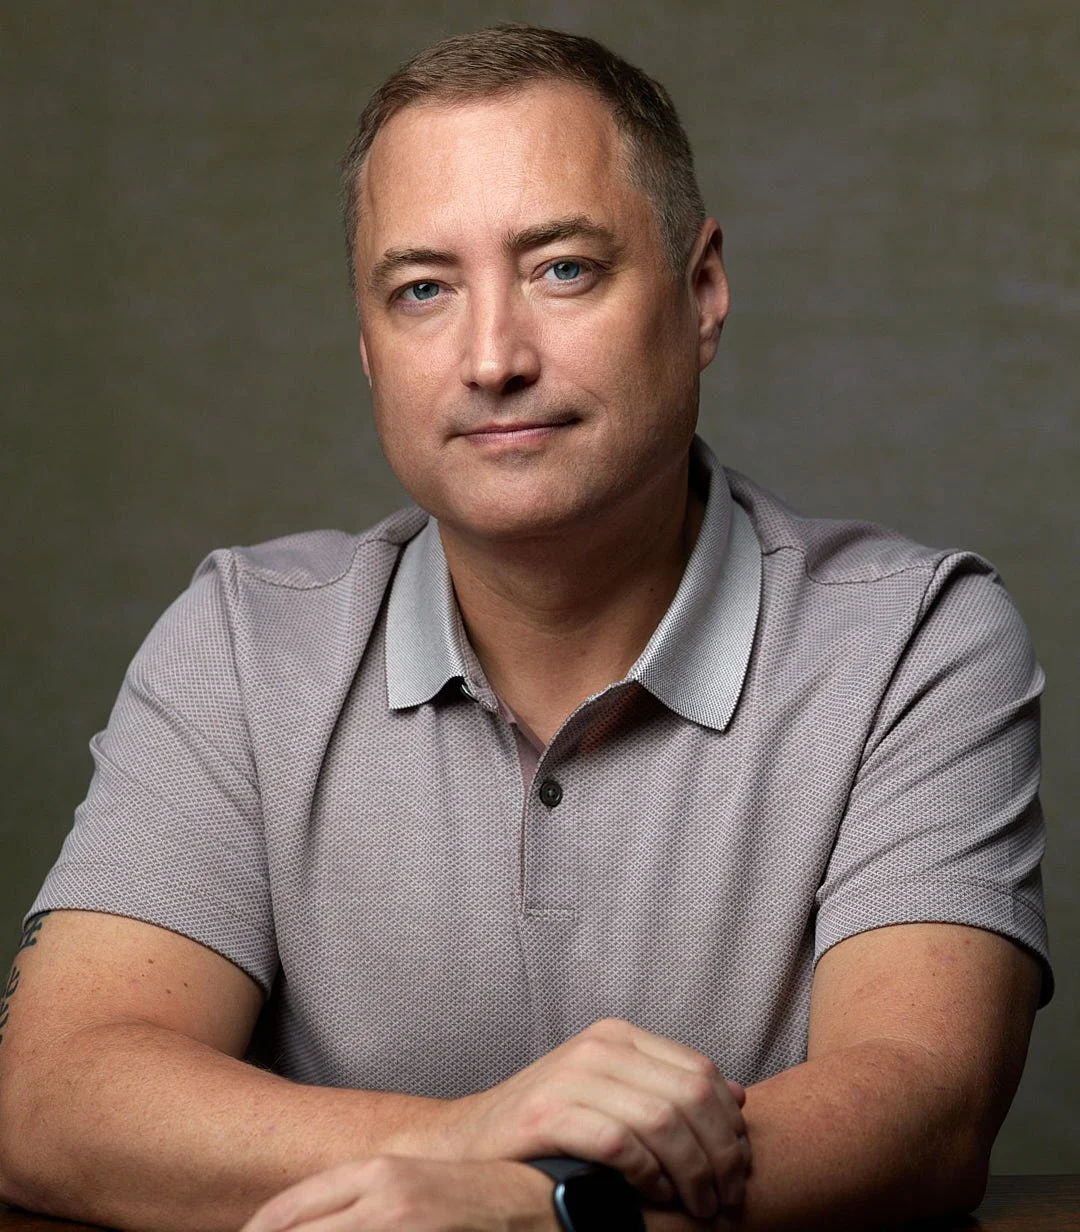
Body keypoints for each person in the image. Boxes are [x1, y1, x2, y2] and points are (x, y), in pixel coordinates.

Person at [0, 24, 1051, 1232]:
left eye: (562, 268)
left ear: (701, 290)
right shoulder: (241, 643)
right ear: (367, 343)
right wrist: (463, 1134)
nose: (491, 357)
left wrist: (530, 1208)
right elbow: (48, 1098)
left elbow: (923, 1112)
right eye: (423, 290)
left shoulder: (917, 641)